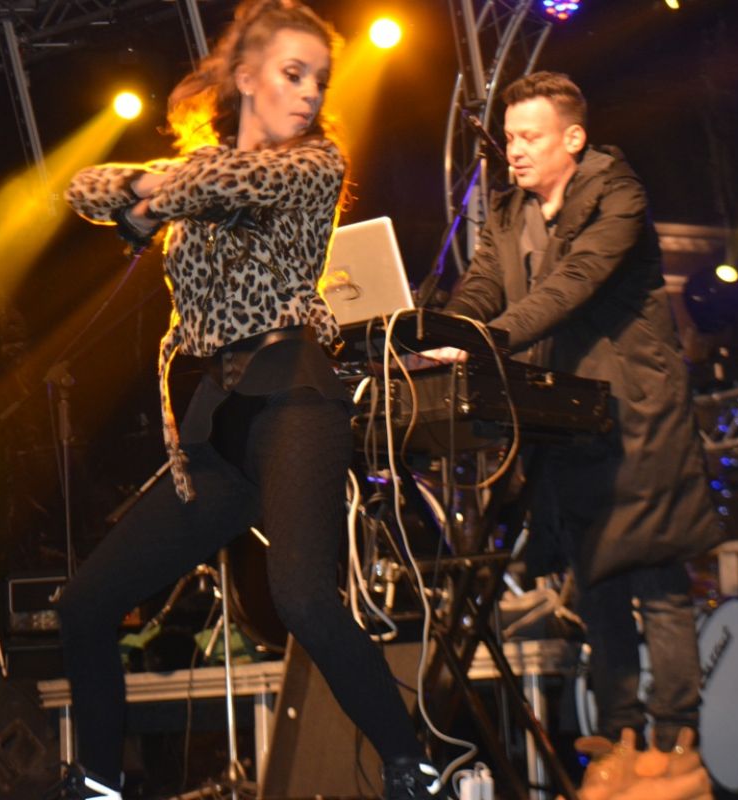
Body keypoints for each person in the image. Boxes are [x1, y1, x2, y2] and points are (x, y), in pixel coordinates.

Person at [58, 2, 438, 798]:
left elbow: (237, 180)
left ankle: (413, 767)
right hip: (218, 426)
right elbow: (82, 189)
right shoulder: (197, 170)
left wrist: (152, 202)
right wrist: (150, 189)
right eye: (292, 74)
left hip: (295, 398)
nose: (309, 93)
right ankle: (97, 784)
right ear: (244, 78)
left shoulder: (313, 165)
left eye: (318, 80)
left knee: (302, 597)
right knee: (86, 605)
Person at [443, 72, 721, 798]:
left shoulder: (618, 195)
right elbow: (483, 285)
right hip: (568, 422)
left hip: (637, 417)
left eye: (529, 137)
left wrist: (490, 340)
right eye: (509, 138)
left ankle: (676, 747)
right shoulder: (507, 213)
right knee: (595, 584)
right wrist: (448, 330)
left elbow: (574, 282)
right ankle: (622, 744)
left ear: (573, 138)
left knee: (658, 581)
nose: (514, 150)